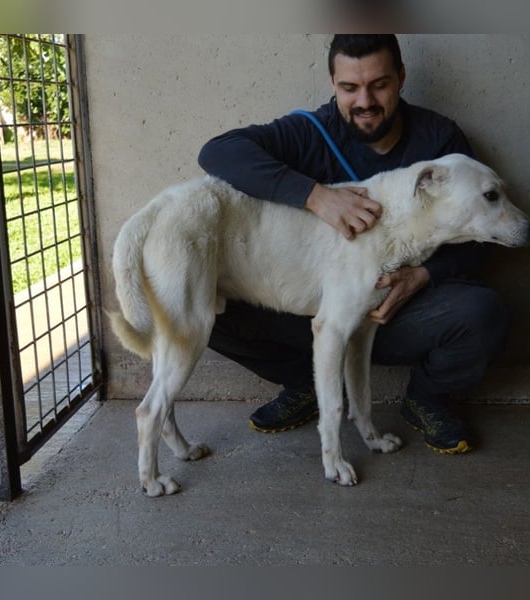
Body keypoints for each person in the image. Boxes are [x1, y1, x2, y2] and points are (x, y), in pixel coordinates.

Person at [197, 34, 509, 454]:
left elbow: (484, 234)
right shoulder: (310, 133)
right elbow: (218, 153)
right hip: (313, 312)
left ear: (401, 77)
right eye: (349, 88)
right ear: (332, 84)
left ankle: (426, 398)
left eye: (379, 85)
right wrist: (315, 196)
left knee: (482, 312)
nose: (365, 101)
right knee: (203, 300)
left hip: (404, 313)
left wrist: (422, 275)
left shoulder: (439, 140)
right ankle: (305, 383)